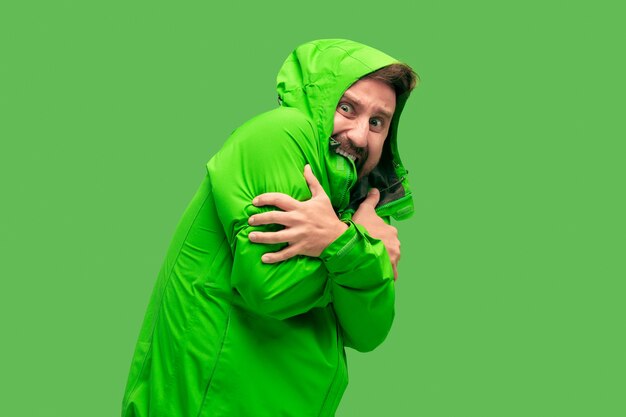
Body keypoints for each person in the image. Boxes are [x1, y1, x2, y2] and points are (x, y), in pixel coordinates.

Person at [121, 39, 418, 417]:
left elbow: (369, 331)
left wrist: (338, 241)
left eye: (377, 122)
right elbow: (271, 286)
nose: (360, 135)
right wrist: (351, 250)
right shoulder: (279, 136)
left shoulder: (362, 202)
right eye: (347, 108)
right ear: (320, 99)